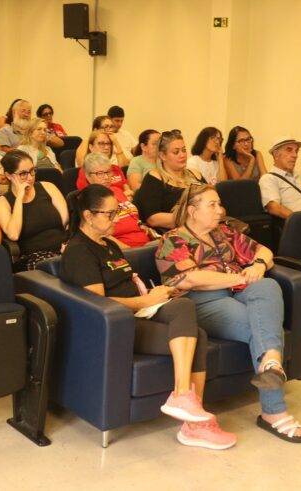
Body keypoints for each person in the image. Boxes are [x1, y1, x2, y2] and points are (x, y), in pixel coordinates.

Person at [62, 184, 234, 449]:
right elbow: (95, 303)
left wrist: (157, 294)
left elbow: (129, 285)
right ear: (88, 216)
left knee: (184, 308)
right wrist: (145, 301)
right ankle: (192, 421)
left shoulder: (109, 245)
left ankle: (186, 404)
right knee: (196, 335)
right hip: (119, 325)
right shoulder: (78, 251)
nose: (117, 219)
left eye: (118, 211)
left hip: (141, 311)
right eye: (110, 214)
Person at [155, 184, 301, 443]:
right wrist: (240, 277)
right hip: (204, 301)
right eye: (212, 205)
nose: (220, 210)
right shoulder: (173, 240)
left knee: (268, 284)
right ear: (192, 210)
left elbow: (264, 252)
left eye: (220, 204)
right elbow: (191, 279)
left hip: (240, 291)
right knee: (264, 329)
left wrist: (258, 265)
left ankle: (271, 361)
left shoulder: (224, 232)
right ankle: (274, 411)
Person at [0, 150, 69, 268]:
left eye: (32, 171)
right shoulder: (2, 202)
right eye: (23, 174)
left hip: (62, 248)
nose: (30, 178)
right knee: (56, 266)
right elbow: (13, 234)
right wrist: (20, 197)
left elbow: (65, 221)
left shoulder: (48, 187)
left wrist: (69, 244)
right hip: (33, 256)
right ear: (9, 175)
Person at [133, 130, 205, 231]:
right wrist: (195, 217)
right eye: (176, 152)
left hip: (204, 228)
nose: (182, 155)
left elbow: (217, 204)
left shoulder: (195, 174)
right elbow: (152, 218)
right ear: (162, 156)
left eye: (184, 150)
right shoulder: (155, 177)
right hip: (175, 233)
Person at [80, 153, 150, 247]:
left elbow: (134, 218)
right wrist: (128, 250)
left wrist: (142, 226)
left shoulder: (117, 190)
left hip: (146, 242)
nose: (106, 177)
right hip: (125, 249)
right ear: (88, 176)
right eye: (100, 173)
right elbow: (100, 235)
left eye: (108, 172)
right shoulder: (88, 199)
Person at [258, 137, 301, 219]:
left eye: (296, 151)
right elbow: (274, 208)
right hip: (299, 223)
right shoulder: (268, 179)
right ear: (276, 154)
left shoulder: (299, 176)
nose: (295, 155)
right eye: (289, 150)